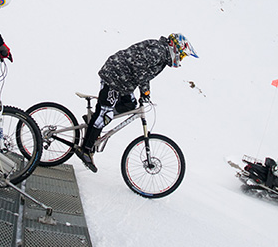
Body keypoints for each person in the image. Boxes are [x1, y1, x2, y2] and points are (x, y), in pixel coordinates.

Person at [76, 33, 198, 172]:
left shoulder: (161, 53)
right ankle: (85, 149)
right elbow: (140, 68)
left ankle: (95, 120)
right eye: (181, 55)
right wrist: (145, 91)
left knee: (130, 105)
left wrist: (145, 92)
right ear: (175, 48)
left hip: (124, 81)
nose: (180, 59)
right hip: (114, 76)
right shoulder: (158, 51)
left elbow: (143, 72)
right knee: (106, 115)